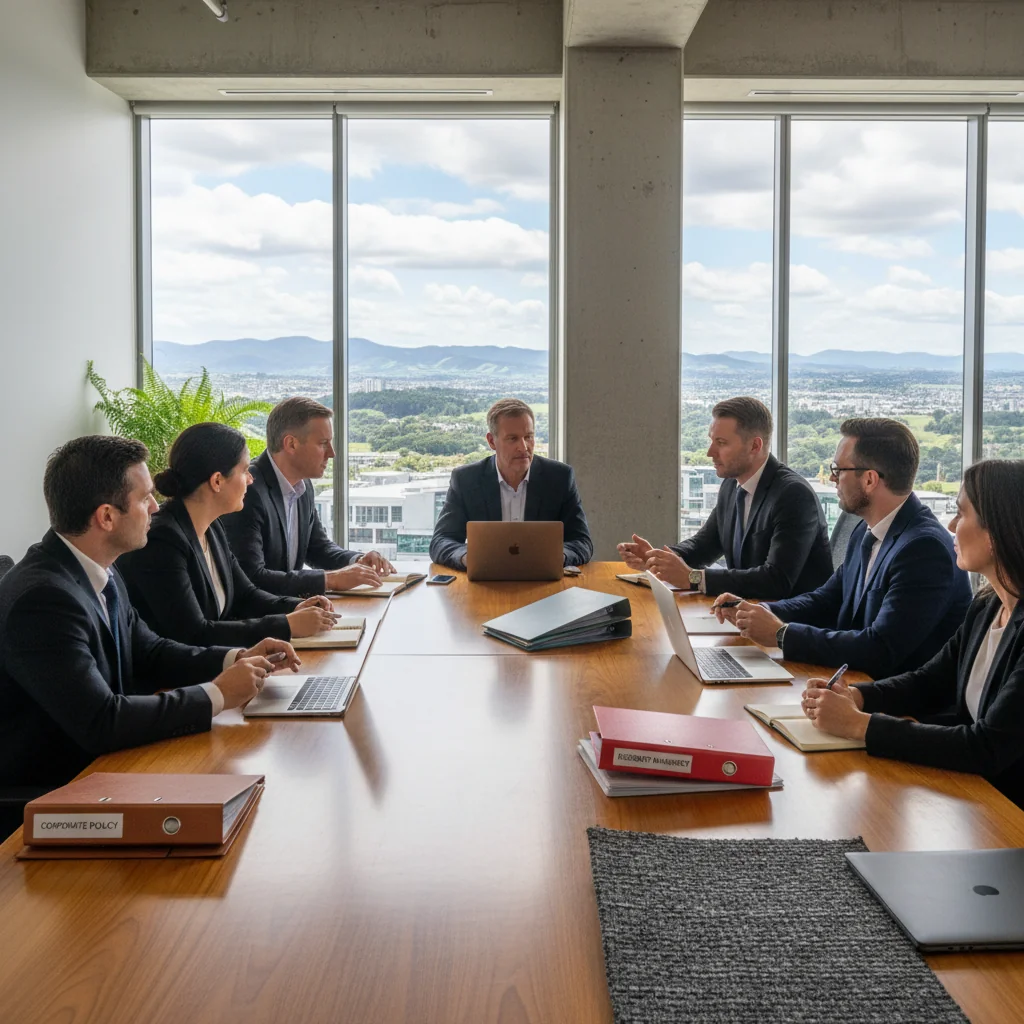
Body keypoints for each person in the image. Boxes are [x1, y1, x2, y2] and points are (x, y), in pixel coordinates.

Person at [0, 435, 301, 825]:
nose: (157, 507)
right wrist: (217, 695)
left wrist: (236, 657)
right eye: (144, 499)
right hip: (56, 798)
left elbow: (151, 650)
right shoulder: (43, 600)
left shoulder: (99, 570)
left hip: (110, 770)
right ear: (107, 517)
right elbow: (101, 721)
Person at [801, 459, 1024, 809]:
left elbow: (986, 747)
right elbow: (930, 682)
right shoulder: (987, 606)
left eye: (961, 514)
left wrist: (860, 726)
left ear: (997, 530)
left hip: (1006, 812)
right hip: (972, 795)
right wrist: (857, 696)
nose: (951, 525)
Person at [714, 418, 972, 679]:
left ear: (870, 479)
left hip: (898, 707)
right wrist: (761, 612)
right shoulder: (864, 530)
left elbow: (879, 648)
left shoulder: (924, 550)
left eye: (838, 470)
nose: (832, 478)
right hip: (851, 685)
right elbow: (827, 599)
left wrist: (781, 635)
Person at [118, 423, 339, 648]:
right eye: (245, 471)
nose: (251, 479)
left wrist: (295, 607)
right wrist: (286, 624)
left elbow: (246, 595)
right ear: (217, 481)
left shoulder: (212, 527)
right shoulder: (163, 541)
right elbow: (194, 633)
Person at [618, 396, 831, 599]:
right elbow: (705, 545)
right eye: (712, 441)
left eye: (721, 442)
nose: (710, 452)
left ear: (755, 446)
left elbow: (776, 580)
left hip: (790, 624)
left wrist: (693, 578)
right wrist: (658, 558)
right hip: (747, 610)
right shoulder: (731, 484)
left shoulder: (793, 495)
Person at [222, 396, 393, 598]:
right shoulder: (249, 491)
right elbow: (252, 577)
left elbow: (317, 548)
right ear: (291, 444)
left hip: (291, 610)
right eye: (323, 443)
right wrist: (331, 580)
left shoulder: (303, 485)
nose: (332, 453)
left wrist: (357, 561)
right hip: (263, 620)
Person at [429, 397, 593, 570]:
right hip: (486, 585)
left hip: (544, 583)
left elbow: (582, 542)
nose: (523, 447)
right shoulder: (466, 480)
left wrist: (558, 556)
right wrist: (467, 557)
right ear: (492, 441)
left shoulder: (559, 477)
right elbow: (441, 541)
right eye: (513, 439)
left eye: (528, 437)